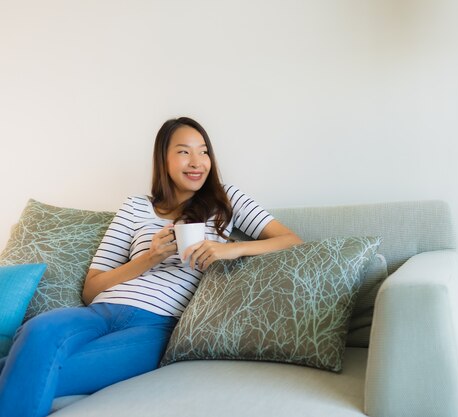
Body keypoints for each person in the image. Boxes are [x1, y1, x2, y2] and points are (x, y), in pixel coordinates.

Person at [0, 117, 302, 417]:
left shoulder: (227, 200)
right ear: (164, 159)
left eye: (204, 151)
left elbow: (291, 240)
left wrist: (230, 249)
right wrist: (149, 257)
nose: (197, 161)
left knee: (41, 369)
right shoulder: (134, 207)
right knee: (38, 329)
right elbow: (92, 289)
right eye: (184, 152)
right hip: (99, 312)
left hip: (156, 326)